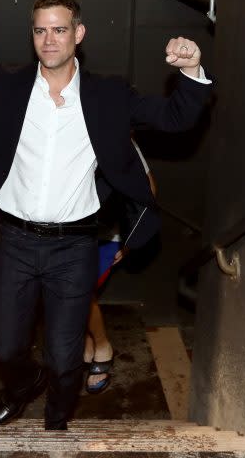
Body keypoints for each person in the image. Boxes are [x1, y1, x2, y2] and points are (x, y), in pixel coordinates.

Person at [0, 0, 212, 430]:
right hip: (15, 241)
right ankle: (21, 385)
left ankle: (56, 425)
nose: (49, 39)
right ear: (32, 34)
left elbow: (175, 118)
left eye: (60, 29)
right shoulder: (5, 87)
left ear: (79, 34)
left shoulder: (109, 96)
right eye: (40, 30)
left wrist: (190, 69)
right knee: (7, 349)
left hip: (74, 246)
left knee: (66, 356)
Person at [83, 139, 156, 394]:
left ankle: (102, 346)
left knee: (81, 294)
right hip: (62, 232)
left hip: (102, 236)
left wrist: (130, 239)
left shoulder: (119, 137)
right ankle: (87, 340)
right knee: (60, 292)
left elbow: (148, 188)